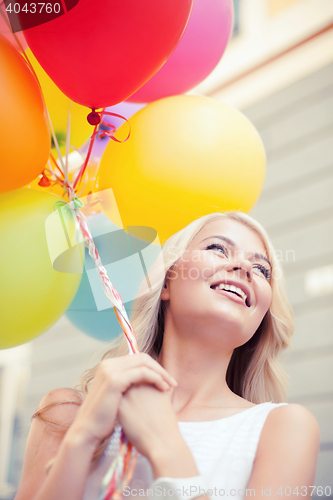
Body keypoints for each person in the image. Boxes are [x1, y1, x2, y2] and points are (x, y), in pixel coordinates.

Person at [14, 211, 320, 500]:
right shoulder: (65, 414)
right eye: (218, 248)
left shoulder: (284, 428)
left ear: (262, 316)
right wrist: (82, 438)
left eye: (262, 269)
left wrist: (165, 445)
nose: (244, 268)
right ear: (166, 283)